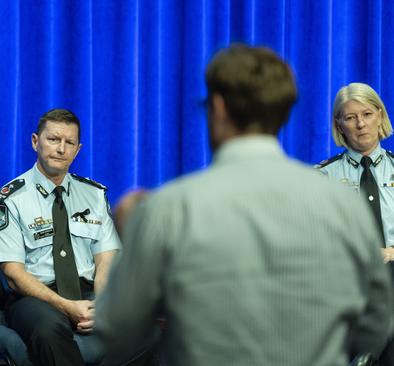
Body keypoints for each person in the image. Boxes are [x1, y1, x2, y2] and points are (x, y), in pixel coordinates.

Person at [96, 45, 393, 366]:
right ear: (283, 111)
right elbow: (374, 330)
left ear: (218, 108)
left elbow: (116, 332)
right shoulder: (340, 203)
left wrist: (135, 237)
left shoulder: (167, 209)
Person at [0, 108, 120, 366]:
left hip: (89, 291)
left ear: (78, 150)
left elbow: (106, 259)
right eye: (53, 139)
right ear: (35, 142)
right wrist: (65, 306)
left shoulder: (94, 195)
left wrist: (102, 304)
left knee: (147, 326)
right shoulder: (8, 200)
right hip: (36, 297)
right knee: (49, 329)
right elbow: (14, 275)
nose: (61, 149)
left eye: (69, 142)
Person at [316, 82, 394, 364]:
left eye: (367, 114)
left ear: (381, 116)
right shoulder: (321, 178)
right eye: (350, 117)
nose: (360, 124)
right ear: (340, 125)